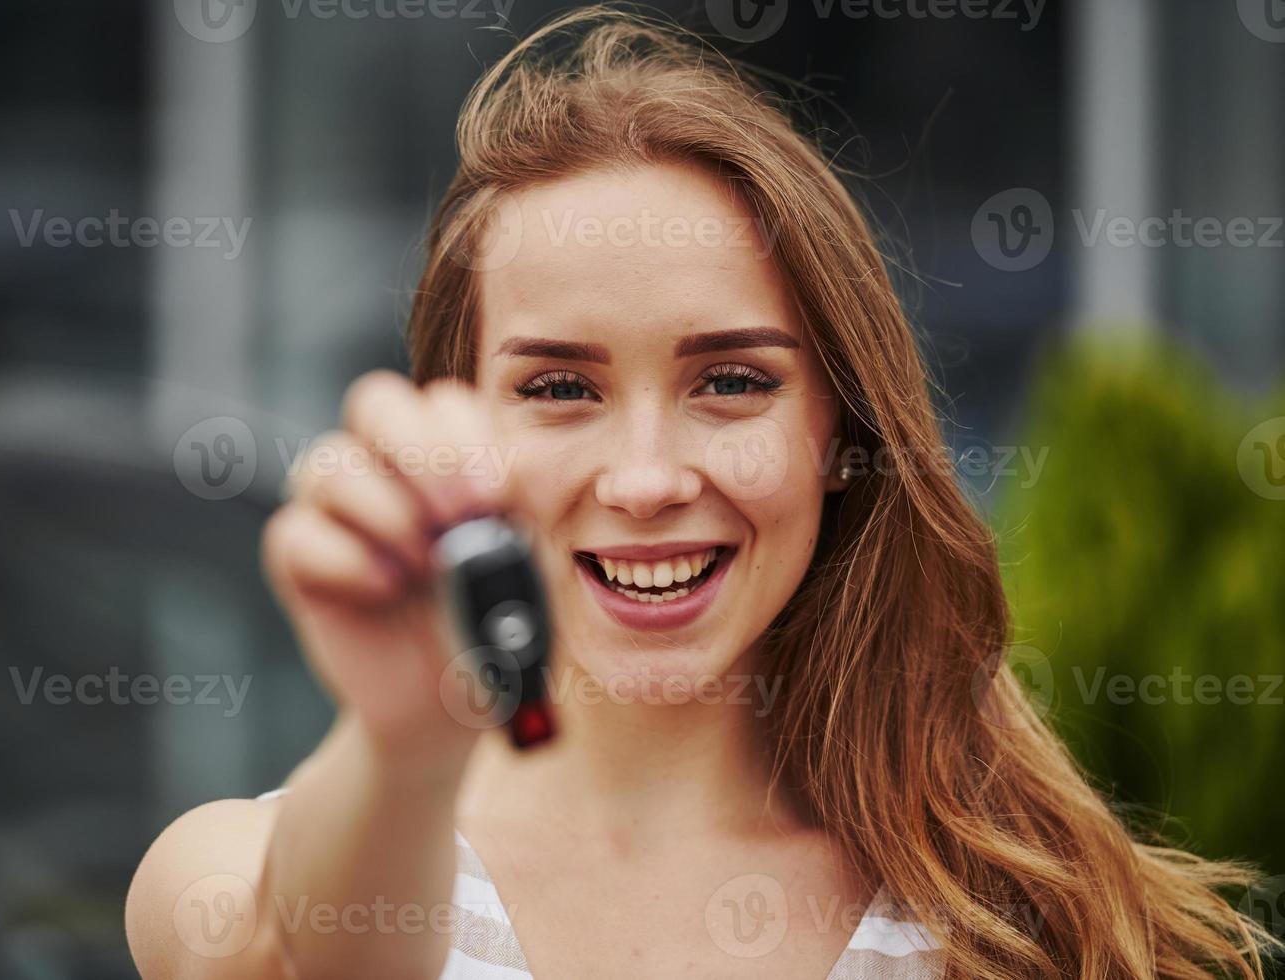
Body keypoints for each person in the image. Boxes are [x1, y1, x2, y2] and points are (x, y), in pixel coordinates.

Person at [125, 7, 1276, 978]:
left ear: (839, 427)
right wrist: (407, 743)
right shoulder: (225, 864)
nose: (645, 479)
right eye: (562, 386)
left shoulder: (1028, 920)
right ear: (454, 430)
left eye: (730, 380)